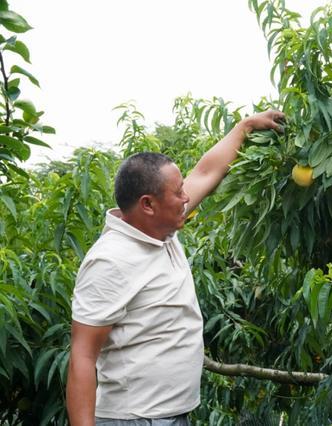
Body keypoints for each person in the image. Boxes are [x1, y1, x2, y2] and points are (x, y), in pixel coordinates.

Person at [66, 110, 286, 426]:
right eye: (178, 192)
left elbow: (207, 172)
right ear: (148, 204)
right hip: (135, 420)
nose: (186, 197)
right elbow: (82, 357)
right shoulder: (110, 260)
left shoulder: (161, 228)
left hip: (167, 415)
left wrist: (246, 127)